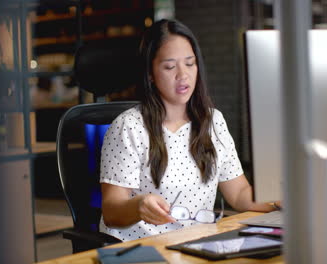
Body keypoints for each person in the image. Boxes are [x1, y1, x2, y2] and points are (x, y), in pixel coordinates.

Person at [98, 19, 281, 242]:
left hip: (196, 244)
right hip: (141, 249)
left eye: (190, 63)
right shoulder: (128, 127)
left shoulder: (213, 121)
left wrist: (278, 201)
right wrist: (138, 206)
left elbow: (240, 194)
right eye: (169, 67)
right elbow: (111, 211)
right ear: (150, 74)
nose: (182, 75)